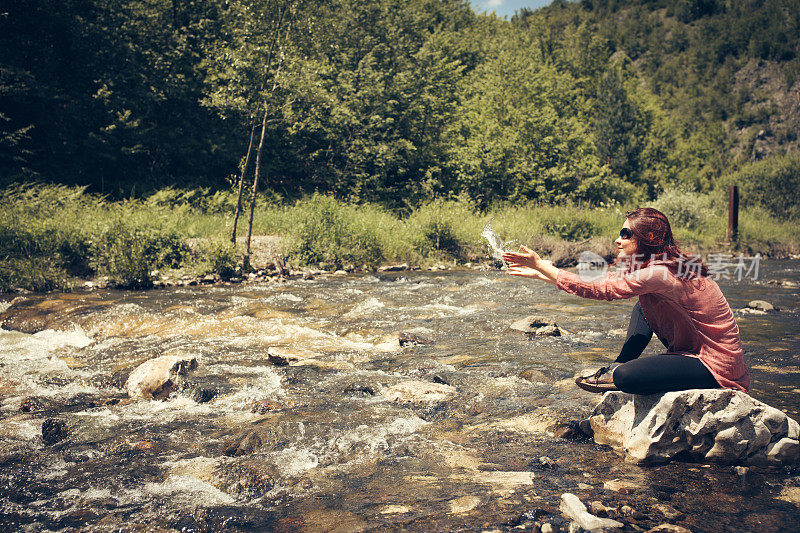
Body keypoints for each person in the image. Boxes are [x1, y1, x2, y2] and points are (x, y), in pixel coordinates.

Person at [501, 207, 750, 395]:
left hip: (715, 368)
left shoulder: (660, 273)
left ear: (647, 237)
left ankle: (619, 370)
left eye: (625, 233)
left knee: (625, 377)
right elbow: (604, 279)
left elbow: (603, 289)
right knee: (643, 307)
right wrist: (543, 270)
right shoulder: (657, 265)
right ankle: (620, 362)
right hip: (694, 355)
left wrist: (543, 267)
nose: (618, 240)